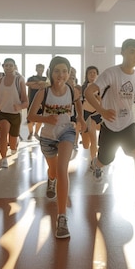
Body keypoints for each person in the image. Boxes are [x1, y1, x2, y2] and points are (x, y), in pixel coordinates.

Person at [84, 38, 135, 219]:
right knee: (105, 160)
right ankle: (96, 164)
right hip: (110, 125)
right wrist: (101, 110)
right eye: (132, 51)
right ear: (123, 52)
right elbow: (88, 92)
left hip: (128, 124)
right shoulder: (110, 74)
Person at [27, 56, 85, 238]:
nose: (61, 75)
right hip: (47, 137)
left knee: (62, 170)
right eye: (57, 71)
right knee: (53, 170)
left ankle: (61, 218)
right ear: (50, 73)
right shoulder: (43, 93)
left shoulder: (72, 90)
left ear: (69, 73)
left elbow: (78, 105)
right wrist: (45, 119)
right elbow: (30, 116)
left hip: (67, 132)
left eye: (65, 71)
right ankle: (50, 179)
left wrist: (81, 119)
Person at [0, 58, 28, 168]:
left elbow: (25, 101)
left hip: (15, 114)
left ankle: (14, 147)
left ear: (15, 66)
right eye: (6, 65)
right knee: (3, 135)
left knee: (13, 142)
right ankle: (4, 158)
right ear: (3, 67)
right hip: (3, 113)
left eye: (10, 65)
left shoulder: (19, 80)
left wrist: (20, 106)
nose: (8, 67)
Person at [80, 66, 102, 168]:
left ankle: (94, 161)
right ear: (87, 75)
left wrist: (99, 97)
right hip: (87, 114)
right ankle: (93, 149)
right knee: (85, 144)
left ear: (97, 75)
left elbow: (103, 100)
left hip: (97, 114)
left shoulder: (101, 86)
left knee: (94, 139)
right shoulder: (84, 87)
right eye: (90, 73)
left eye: (94, 73)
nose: (92, 75)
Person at [26, 63, 48, 140]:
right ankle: (30, 132)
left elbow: (47, 85)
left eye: (41, 68)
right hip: (32, 99)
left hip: (42, 101)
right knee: (29, 118)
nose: (40, 70)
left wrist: (41, 84)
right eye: (38, 68)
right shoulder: (31, 78)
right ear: (36, 69)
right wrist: (39, 83)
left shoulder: (46, 78)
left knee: (40, 117)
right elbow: (28, 84)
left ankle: (36, 133)